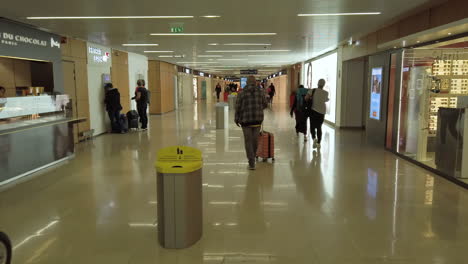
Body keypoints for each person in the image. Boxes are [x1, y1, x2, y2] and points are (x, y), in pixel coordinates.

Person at [235, 76, 268, 170]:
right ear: (255, 82)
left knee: (248, 141)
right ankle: (253, 156)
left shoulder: (241, 93)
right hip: (257, 120)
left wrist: (236, 119)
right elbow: (265, 104)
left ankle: (251, 162)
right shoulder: (260, 92)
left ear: (246, 83)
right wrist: (258, 108)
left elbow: (237, 107)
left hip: (245, 121)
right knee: (255, 140)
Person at [305, 79, 329, 148]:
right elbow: (326, 99)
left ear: (317, 83)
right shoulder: (326, 93)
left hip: (313, 111)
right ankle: (319, 143)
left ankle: (314, 138)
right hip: (322, 112)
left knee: (312, 126)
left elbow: (306, 98)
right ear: (323, 85)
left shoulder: (312, 90)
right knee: (319, 127)